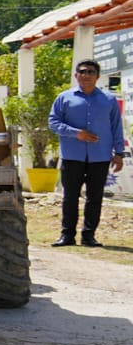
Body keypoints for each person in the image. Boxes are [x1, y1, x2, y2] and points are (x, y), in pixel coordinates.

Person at [48, 58, 125, 248]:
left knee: (95, 197)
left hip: (100, 156)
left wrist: (119, 153)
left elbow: (116, 127)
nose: (86, 75)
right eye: (82, 71)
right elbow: (53, 123)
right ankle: (67, 235)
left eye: (91, 72)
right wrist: (77, 134)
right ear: (76, 75)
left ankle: (89, 236)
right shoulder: (64, 98)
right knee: (70, 196)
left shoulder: (108, 100)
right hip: (72, 155)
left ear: (98, 76)